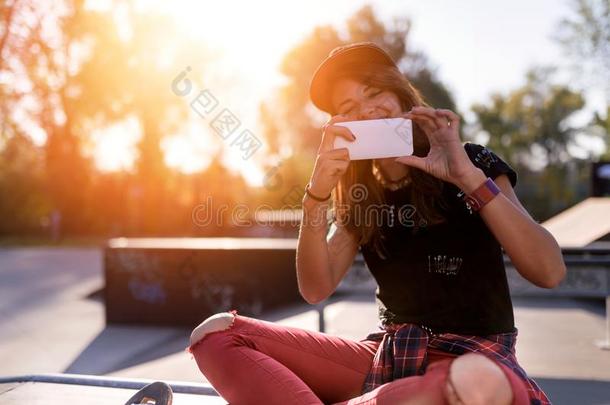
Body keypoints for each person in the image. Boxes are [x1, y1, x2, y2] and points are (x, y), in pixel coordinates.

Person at [186, 42, 566, 405]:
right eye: (349, 106)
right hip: (391, 357)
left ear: (401, 94)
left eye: (374, 92)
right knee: (216, 334)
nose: (367, 111)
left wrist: (466, 178)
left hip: (474, 361)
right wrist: (316, 194)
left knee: (473, 385)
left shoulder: (472, 162)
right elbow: (316, 288)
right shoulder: (358, 193)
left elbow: (549, 271)